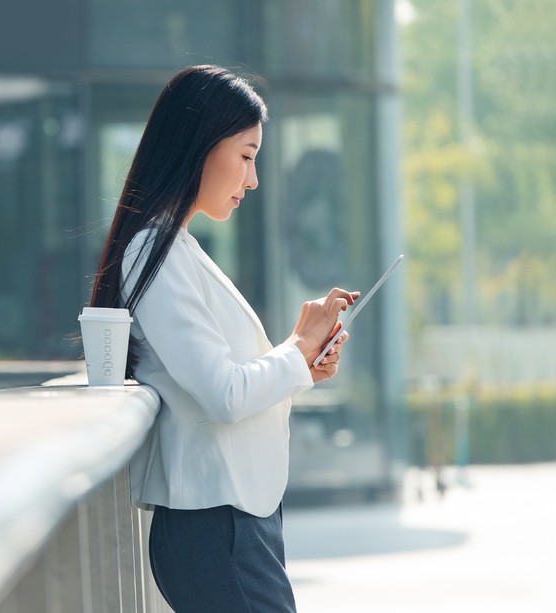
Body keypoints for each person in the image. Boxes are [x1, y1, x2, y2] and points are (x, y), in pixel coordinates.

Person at [89, 65, 360, 613]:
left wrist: (302, 362)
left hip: (236, 519)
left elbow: (227, 381)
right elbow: (223, 394)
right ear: (200, 145)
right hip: (216, 525)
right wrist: (296, 349)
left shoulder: (176, 247)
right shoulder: (155, 251)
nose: (252, 179)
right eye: (246, 155)